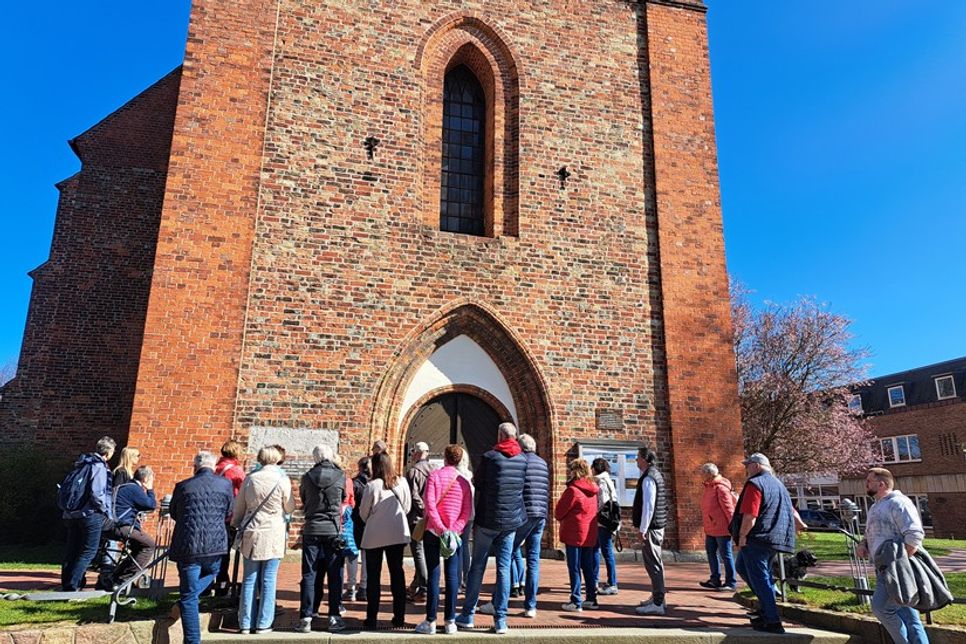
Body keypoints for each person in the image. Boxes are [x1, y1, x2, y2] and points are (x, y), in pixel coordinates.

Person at [455, 422, 527, 635]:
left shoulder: (490, 457)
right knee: (504, 568)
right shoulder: (522, 459)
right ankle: (501, 620)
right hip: (510, 521)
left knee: (478, 566)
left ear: (500, 436)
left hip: (488, 519)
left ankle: (467, 614)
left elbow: (478, 482)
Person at [856, 467, 929, 644]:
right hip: (884, 568)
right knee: (909, 615)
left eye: (869, 481)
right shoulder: (875, 507)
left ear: (881, 484)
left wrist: (899, 564)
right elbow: (872, 533)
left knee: (881, 608)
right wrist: (863, 544)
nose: (866, 485)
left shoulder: (898, 503)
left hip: (896, 570)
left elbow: (914, 535)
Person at [168, 451, 234, 644]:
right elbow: (229, 511)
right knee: (213, 572)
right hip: (214, 543)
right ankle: (188, 599)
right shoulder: (225, 484)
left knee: (188, 596)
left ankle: (193, 640)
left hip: (188, 544)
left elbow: (174, 512)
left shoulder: (183, 486)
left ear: (195, 467)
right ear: (213, 467)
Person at [730, 453, 796, 635]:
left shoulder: (755, 484)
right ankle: (766, 606)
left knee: (761, 578)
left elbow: (750, 515)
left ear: (757, 466)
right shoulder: (779, 484)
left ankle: (772, 620)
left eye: (748, 465)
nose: (746, 469)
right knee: (742, 567)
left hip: (757, 538)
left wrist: (742, 536)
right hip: (774, 537)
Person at [232, 446, 295, 635]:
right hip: (273, 532)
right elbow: (290, 507)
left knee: (249, 578)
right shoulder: (282, 480)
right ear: (276, 459)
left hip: (252, 531)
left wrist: (236, 524)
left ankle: (245, 622)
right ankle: (264, 623)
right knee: (269, 578)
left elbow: (239, 507)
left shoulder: (250, 479)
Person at [415, 444, 473, 634]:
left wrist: (440, 527)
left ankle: (431, 621)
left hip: (433, 532)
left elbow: (429, 504)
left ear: (445, 458)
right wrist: (453, 530)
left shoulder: (434, 476)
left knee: (433, 575)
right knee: (452, 576)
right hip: (454, 535)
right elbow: (466, 512)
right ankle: (450, 621)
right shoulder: (464, 482)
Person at [297, 444, 347, 633]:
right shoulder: (340, 476)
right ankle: (334, 616)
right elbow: (343, 498)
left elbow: (304, 499)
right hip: (332, 529)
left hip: (312, 528)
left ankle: (306, 617)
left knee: (309, 573)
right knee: (335, 574)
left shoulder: (307, 477)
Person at [360, 452, 412, 630]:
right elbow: (407, 507)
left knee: (373, 576)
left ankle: (371, 618)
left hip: (375, 534)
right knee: (397, 573)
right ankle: (399, 616)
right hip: (397, 532)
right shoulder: (402, 482)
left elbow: (363, 512)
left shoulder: (372, 485)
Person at [61, 436, 116, 591]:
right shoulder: (99, 466)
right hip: (90, 514)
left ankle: (66, 584)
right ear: (109, 452)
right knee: (88, 551)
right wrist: (104, 510)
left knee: (72, 550)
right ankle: (73, 586)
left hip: (72, 514)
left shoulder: (82, 463)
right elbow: (97, 493)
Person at [555, 458, 601, 612]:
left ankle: (576, 600)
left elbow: (559, 512)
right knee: (588, 567)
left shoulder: (573, 490)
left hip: (574, 534)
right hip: (589, 533)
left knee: (574, 567)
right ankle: (591, 599)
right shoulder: (593, 490)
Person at [632, 446, 669, 615]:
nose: (636, 460)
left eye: (638, 457)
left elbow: (649, 506)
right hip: (655, 525)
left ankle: (658, 602)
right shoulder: (654, 474)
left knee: (653, 564)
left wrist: (643, 529)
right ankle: (657, 597)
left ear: (645, 459)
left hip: (652, 528)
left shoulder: (649, 478)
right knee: (655, 563)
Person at [109, 465, 157, 587]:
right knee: (149, 545)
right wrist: (150, 490)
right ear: (145, 479)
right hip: (122, 526)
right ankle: (123, 578)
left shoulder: (122, 487)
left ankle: (116, 575)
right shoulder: (134, 489)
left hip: (108, 525)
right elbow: (150, 505)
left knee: (138, 547)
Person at [698, 462, 737, 592]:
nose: (701, 475)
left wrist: (734, 527)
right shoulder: (709, 487)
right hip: (711, 528)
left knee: (726, 555)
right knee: (711, 553)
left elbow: (729, 509)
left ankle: (731, 582)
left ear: (709, 474)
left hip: (722, 528)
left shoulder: (720, 488)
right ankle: (715, 579)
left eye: (702, 473)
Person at [214, 439, 245, 595]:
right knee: (224, 552)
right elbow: (244, 491)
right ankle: (222, 585)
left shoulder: (216, 468)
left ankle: (208, 585)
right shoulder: (236, 471)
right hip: (228, 515)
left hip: (214, 514)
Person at [406, 441, 436, 601]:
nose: (411, 455)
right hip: (432, 518)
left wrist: (424, 510)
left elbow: (413, 495)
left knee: (418, 551)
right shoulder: (435, 470)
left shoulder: (413, 472)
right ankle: (415, 584)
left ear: (417, 453)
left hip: (418, 518)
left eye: (413, 452)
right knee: (425, 551)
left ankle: (424, 587)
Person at [593, 457, 620, 596]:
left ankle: (612, 583)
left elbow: (603, 502)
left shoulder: (602, 482)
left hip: (603, 522)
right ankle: (594, 580)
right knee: (596, 550)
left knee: (606, 552)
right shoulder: (607, 480)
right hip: (606, 522)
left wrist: (596, 513)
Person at [345, 456, 371, 602]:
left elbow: (349, 502)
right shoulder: (375, 483)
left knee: (352, 555)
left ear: (359, 467)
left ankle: (351, 588)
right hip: (369, 523)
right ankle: (364, 588)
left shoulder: (354, 483)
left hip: (354, 522)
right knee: (367, 556)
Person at [455, 450, 475, 593]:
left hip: (457, 516)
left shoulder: (456, 476)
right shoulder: (470, 476)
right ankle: (467, 579)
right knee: (465, 546)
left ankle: (456, 582)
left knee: (456, 548)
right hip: (469, 516)